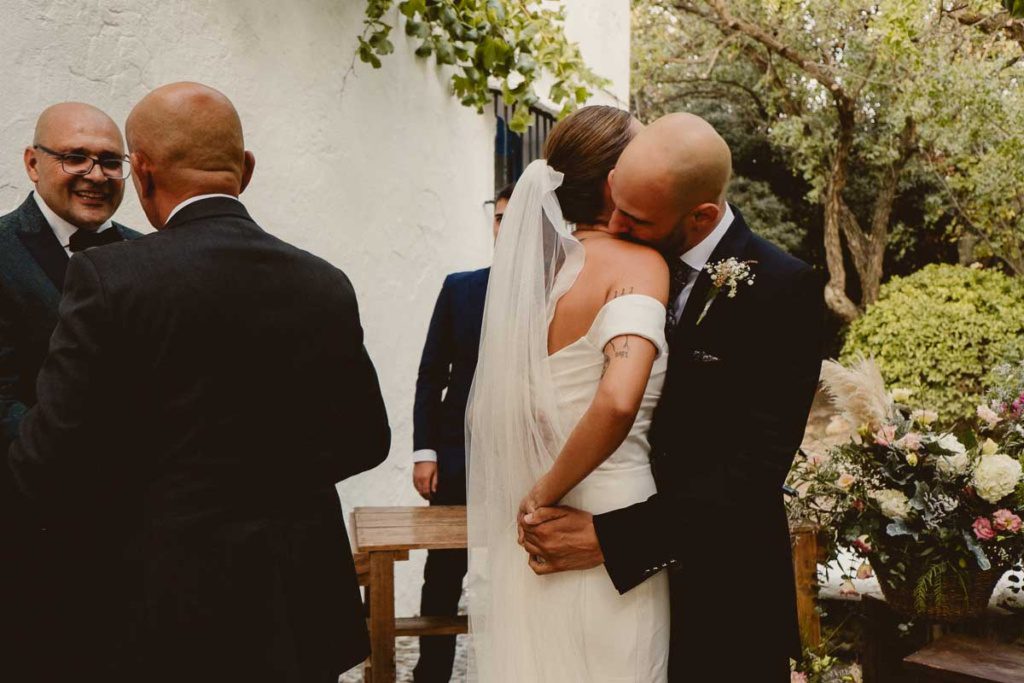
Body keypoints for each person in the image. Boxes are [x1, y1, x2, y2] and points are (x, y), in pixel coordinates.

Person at [7, 82, 391, 683]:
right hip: (297, 595)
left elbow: (47, 455)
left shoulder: (113, 277)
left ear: (143, 173)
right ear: (247, 169)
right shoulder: (324, 279)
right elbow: (367, 439)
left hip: (165, 595)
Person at [520, 113, 824, 681]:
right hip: (610, 594)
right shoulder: (619, 262)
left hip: (721, 595)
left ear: (701, 215)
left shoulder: (785, 289)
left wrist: (615, 539)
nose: (612, 224)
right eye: (613, 202)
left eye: (633, 218)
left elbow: (753, 469)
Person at [466, 105, 670, 681]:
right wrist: (543, 491)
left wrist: (535, 503)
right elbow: (617, 401)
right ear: (615, 183)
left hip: (539, 536)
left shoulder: (540, 281)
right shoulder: (639, 264)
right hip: (608, 521)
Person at [0, 102, 140, 681]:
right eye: (74, 157)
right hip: (31, 530)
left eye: (111, 161)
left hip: (137, 534)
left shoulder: (145, 254)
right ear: (34, 163)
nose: (95, 174)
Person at [411, 182, 513, 682]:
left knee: (519, 573)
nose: (504, 227)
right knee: (443, 574)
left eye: (514, 219)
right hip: (456, 458)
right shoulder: (460, 288)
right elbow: (432, 374)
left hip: (524, 463)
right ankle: (430, 675)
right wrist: (425, 451)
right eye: (498, 218)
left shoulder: (562, 294)